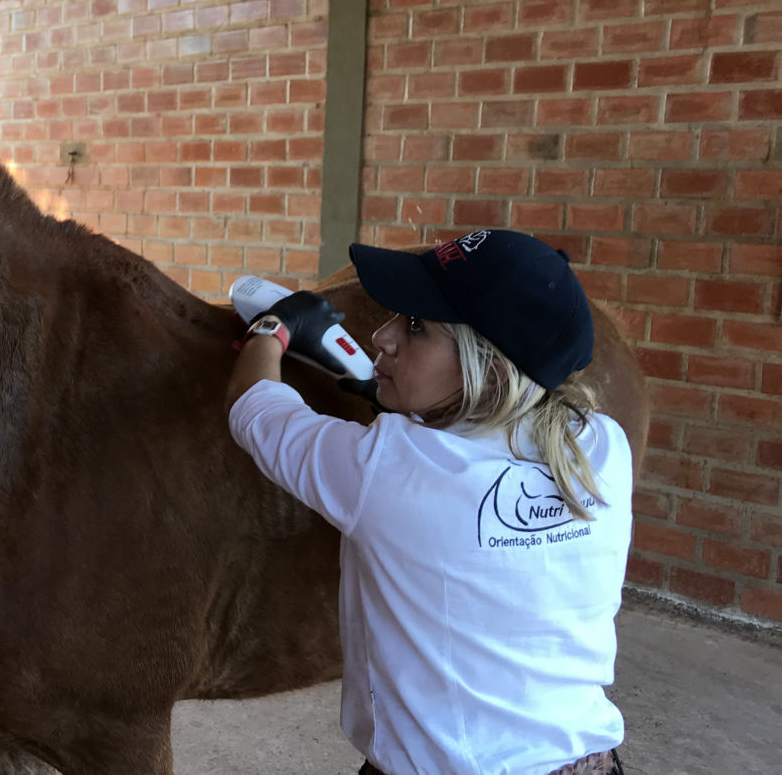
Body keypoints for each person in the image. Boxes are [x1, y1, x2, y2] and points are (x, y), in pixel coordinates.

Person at [227, 229, 632, 775]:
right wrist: (410, 395)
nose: (383, 336)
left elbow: (255, 410)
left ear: (487, 369)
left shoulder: (387, 468)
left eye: (416, 327)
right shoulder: (602, 445)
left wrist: (272, 330)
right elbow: (480, 443)